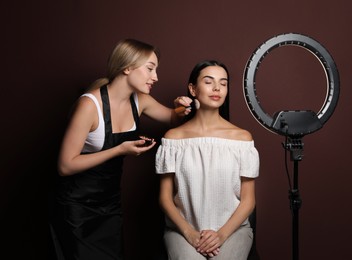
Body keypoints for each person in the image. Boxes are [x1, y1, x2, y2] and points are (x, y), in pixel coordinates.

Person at [49, 38, 192, 260]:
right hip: (76, 208)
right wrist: (119, 150)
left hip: (110, 206)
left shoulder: (140, 100)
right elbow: (65, 166)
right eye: (150, 69)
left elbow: (172, 118)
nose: (156, 77)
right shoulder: (89, 105)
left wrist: (183, 107)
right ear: (127, 67)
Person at [155, 60, 260, 260]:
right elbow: (165, 198)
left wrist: (220, 235)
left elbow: (248, 200)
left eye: (223, 82)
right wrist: (190, 233)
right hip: (183, 231)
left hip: (233, 231)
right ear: (193, 89)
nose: (217, 88)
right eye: (209, 81)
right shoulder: (173, 139)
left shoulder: (242, 138)